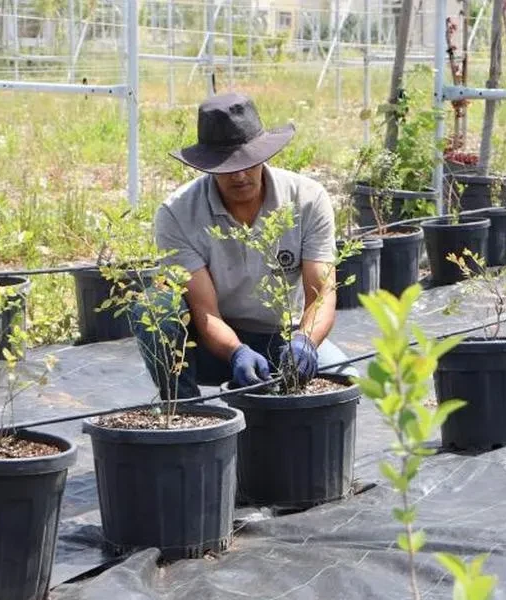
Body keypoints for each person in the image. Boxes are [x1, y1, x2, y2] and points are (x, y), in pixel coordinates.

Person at [133, 92, 352, 398]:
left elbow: (322, 295)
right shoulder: (178, 213)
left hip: (284, 339)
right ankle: (185, 408)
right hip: (212, 345)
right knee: (155, 306)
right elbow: (205, 311)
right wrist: (236, 351)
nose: (239, 175)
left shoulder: (307, 199)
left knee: (346, 383)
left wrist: (305, 342)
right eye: (226, 165)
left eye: (248, 162)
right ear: (207, 165)